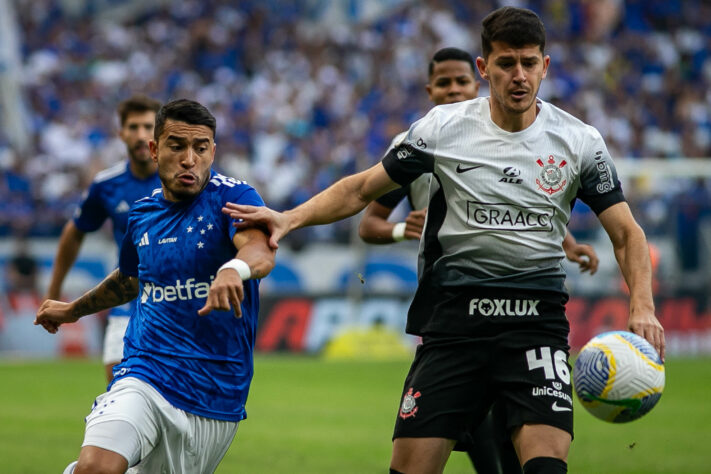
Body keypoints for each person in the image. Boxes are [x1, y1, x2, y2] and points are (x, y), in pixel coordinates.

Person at [223, 7, 665, 474]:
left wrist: (642, 304)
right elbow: (361, 189)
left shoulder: (579, 141)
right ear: (484, 68)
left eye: (529, 63)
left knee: (545, 466)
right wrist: (289, 218)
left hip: (535, 327)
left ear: (546, 66)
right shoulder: (442, 129)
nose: (519, 76)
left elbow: (626, 233)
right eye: (506, 63)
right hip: (454, 326)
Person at [359, 46, 599, 474]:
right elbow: (368, 222)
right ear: (430, 89)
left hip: (520, 319)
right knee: (471, 446)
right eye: (444, 83)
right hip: (451, 313)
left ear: (477, 83)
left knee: (513, 446)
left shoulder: (509, 137)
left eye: (460, 82)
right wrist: (401, 229)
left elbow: (529, 208)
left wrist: (568, 244)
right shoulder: (415, 146)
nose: (453, 90)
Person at [35, 99, 275, 474]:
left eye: (200, 148)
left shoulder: (235, 197)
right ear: (155, 149)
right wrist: (71, 310)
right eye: (177, 146)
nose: (189, 159)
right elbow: (129, 280)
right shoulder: (142, 213)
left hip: (216, 394)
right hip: (144, 372)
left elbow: (260, 249)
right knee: (96, 467)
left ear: (213, 151)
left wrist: (234, 269)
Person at [45, 95, 162, 382]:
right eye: (133, 127)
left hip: (173, 300)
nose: (140, 135)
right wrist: (54, 291)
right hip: (126, 300)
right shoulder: (107, 185)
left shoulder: (185, 179)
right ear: (121, 133)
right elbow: (74, 233)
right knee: (117, 388)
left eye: (148, 126)